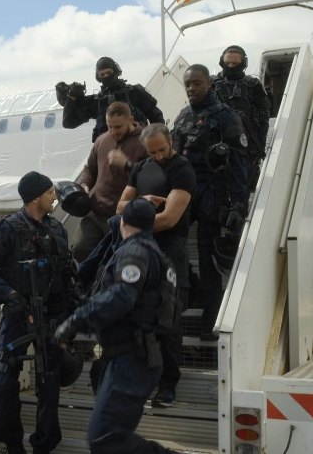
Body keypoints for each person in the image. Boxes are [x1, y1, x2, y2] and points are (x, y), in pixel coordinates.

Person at [54, 198, 179, 454]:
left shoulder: (134, 252)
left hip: (131, 358)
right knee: (109, 437)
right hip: (133, 355)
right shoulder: (156, 255)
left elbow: (121, 297)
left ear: (123, 223)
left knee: (105, 438)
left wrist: (75, 321)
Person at [0, 171, 78, 454]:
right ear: (35, 197)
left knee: (50, 380)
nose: (54, 196)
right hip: (18, 313)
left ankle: (44, 445)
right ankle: (11, 442)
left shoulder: (58, 229)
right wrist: (10, 295)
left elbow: (66, 273)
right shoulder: (7, 228)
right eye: (48, 193)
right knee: (3, 378)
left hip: (53, 315)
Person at [117, 123, 196, 407]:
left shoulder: (182, 168)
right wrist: (142, 201)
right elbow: (119, 207)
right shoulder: (140, 167)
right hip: (140, 254)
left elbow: (169, 218)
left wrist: (134, 220)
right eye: (153, 152)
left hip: (170, 253)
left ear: (171, 141)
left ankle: (168, 385)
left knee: (169, 321)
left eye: (163, 149)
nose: (159, 156)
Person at [173, 64, 249, 342]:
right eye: (188, 84)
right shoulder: (182, 117)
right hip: (182, 191)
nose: (192, 88)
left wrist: (238, 205)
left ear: (209, 84)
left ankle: (210, 319)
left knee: (207, 258)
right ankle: (188, 292)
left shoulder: (226, 117)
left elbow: (239, 163)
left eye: (197, 83)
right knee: (173, 248)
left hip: (211, 192)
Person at [73, 101, 148, 263]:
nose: (113, 132)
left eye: (118, 127)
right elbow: (89, 169)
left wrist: (127, 165)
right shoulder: (101, 140)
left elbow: (152, 177)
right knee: (79, 248)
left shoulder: (145, 142)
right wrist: (85, 185)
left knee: (118, 258)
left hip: (124, 216)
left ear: (131, 119)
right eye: (109, 126)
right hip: (96, 212)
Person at [57, 57, 165, 142]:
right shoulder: (98, 101)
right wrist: (71, 97)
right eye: (102, 74)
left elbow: (156, 117)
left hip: (138, 147)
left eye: (109, 72)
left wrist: (158, 141)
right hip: (110, 153)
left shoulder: (134, 92)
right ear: (98, 77)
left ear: (116, 71)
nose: (106, 76)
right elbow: (69, 122)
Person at [212, 45, 271, 188]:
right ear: (222, 62)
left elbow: (264, 117)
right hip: (217, 142)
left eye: (235, 64)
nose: (230, 66)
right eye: (227, 63)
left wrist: (260, 146)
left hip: (246, 144)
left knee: (245, 184)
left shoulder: (253, 85)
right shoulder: (211, 84)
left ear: (243, 63)